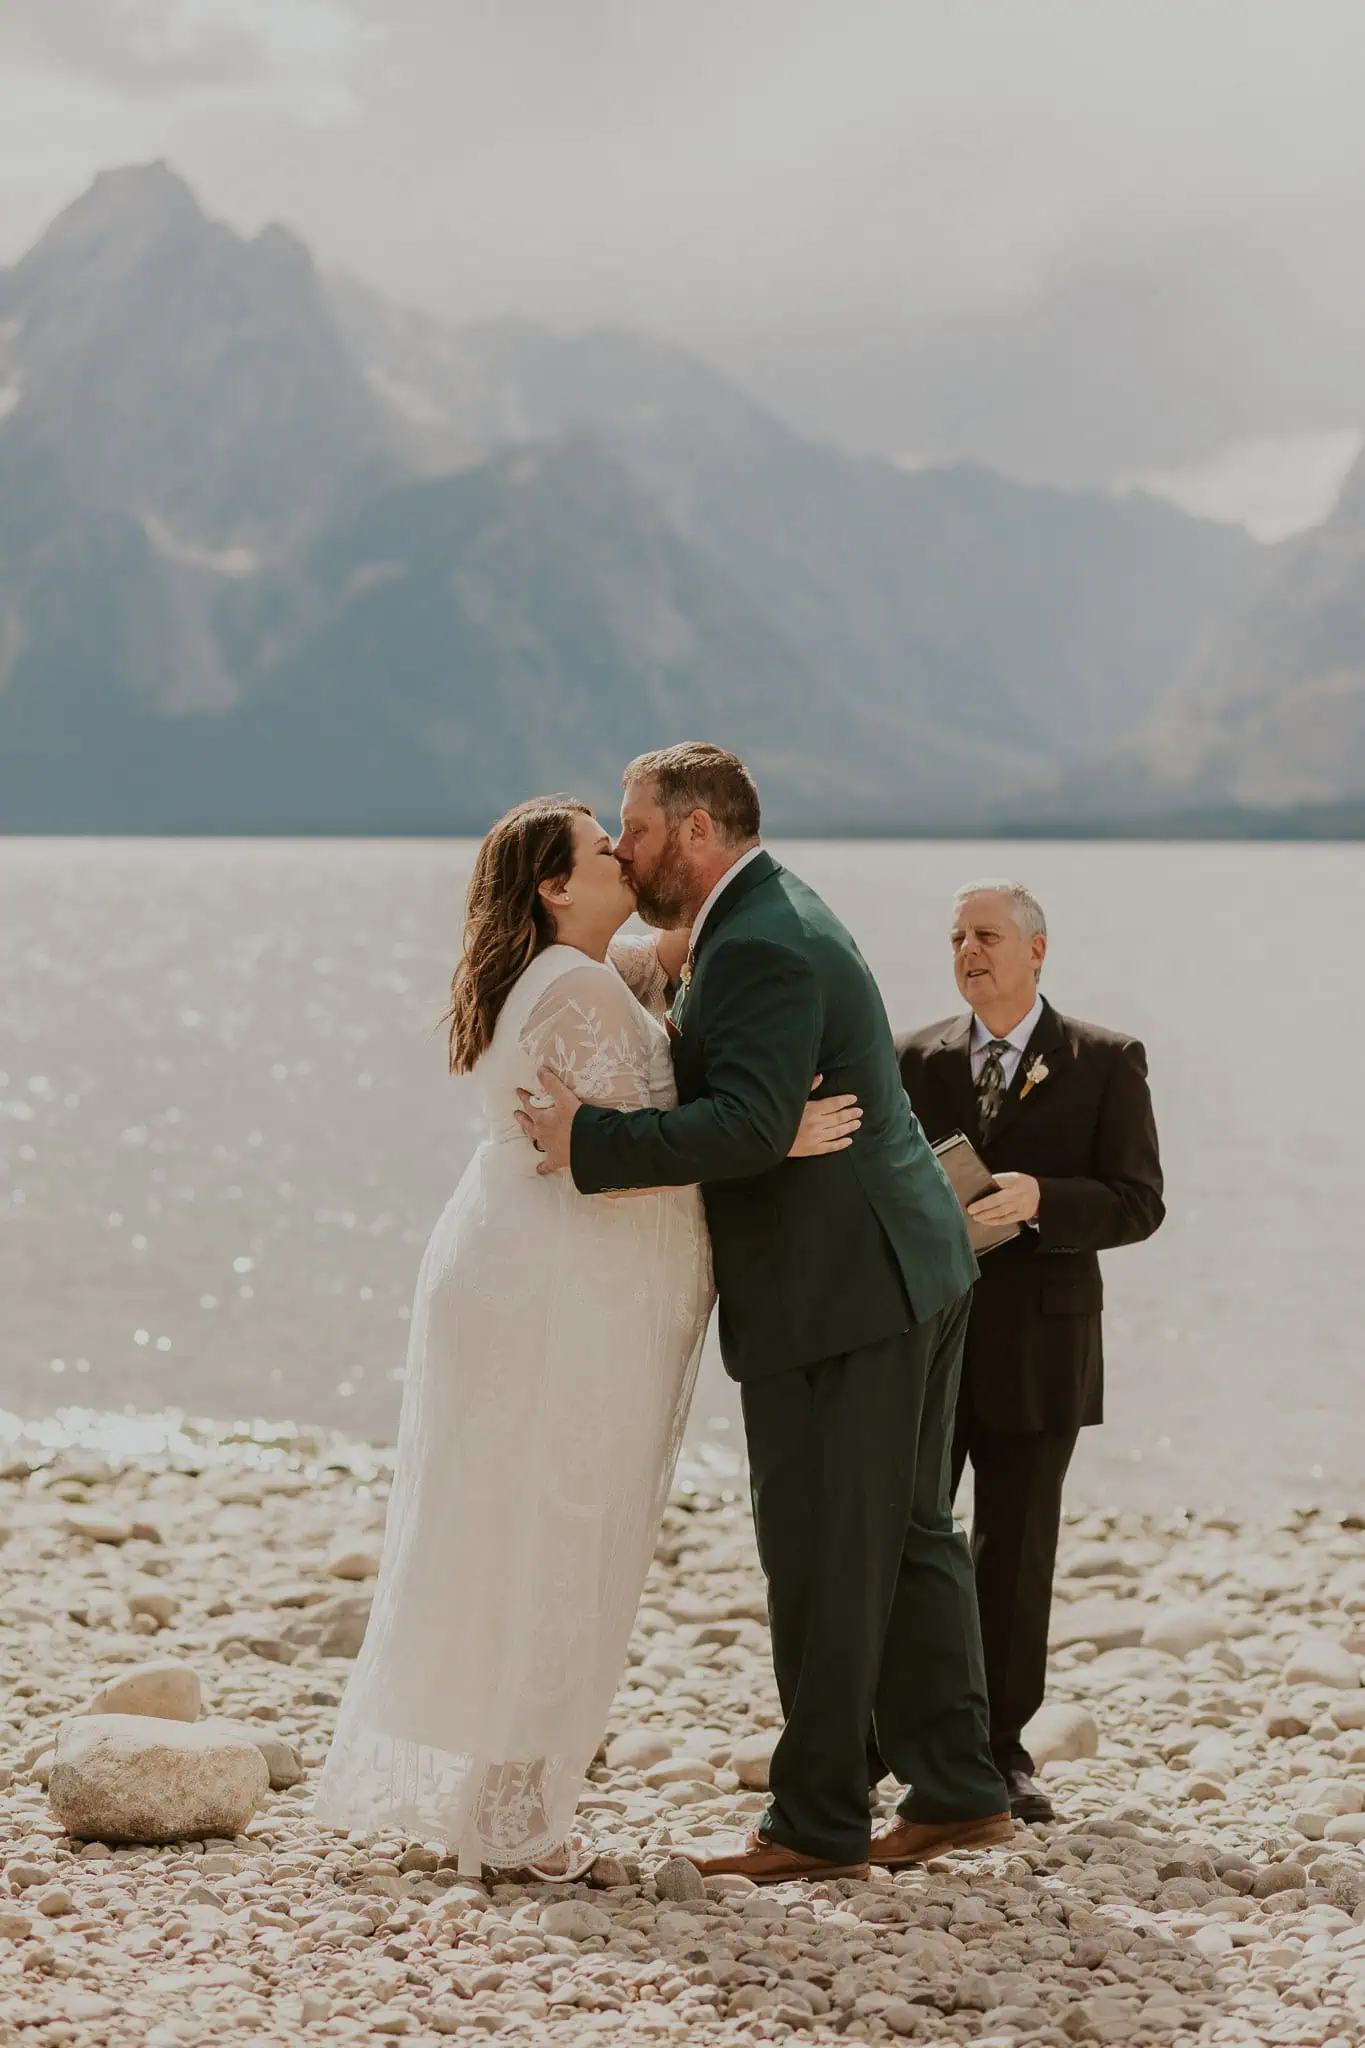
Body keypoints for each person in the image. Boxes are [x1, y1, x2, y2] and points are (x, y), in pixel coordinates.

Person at [313, 796, 855, 1878]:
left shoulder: (563, 977)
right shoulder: (576, 986)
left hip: (527, 1267)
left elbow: (655, 994)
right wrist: (772, 1133)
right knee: (563, 1524)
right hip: (566, 1286)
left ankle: (498, 1794)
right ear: (556, 887)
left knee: (515, 1518)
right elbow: (619, 1145)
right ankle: (518, 1819)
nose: (626, 852)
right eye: (605, 849)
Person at [517, 745, 1012, 1883]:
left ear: (694, 832)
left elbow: (745, 1124)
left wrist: (586, 1139)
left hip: (845, 1289)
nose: (624, 846)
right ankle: (957, 1787)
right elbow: (749, 1093)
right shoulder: (761, 912)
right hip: (906, 1268)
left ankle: (817, 1820)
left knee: (826, 1552)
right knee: (909, 1534)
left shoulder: (762, 942)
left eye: (634, 827)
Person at [896, 880, 1164, 1823]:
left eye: (988, 935)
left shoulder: (1103, 1059)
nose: (969, 950)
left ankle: (1000, 1749)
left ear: (1036, 950)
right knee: (911, 1534)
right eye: (956, 936)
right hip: (926, 1336)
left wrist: (1041, 1198)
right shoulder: (909, 1056)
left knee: (1013, 1552)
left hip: (1041, 1345)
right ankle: (906, 1732)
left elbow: (1138, 1204)